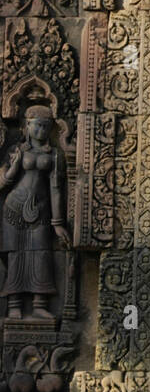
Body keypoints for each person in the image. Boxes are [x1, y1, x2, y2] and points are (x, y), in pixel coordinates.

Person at [0, 104, 70, 320]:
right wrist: (15, 165)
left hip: (41, 211)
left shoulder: (55, 155)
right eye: (37, 126)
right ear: (26, 126)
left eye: (46, 127)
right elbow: (2, 182)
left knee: (41, 254)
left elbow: (56, 189)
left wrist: (57, 223)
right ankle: (14, 305)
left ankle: (40, 303)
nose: (42, 131)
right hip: (14, 208)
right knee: (16, 255)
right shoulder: (16, 151)